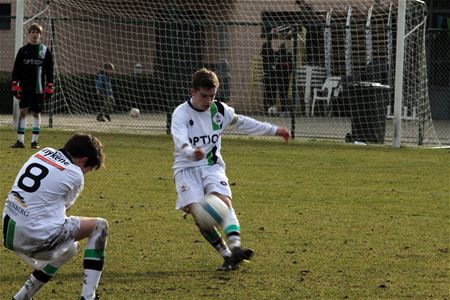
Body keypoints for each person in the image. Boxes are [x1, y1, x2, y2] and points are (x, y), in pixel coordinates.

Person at [171, 68, 291, 271]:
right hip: (186, 168)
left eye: (212, 96)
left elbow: (245, 123)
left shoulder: (220, 111)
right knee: (201, 217)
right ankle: (227, 255)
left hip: (211, 165)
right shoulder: (181, 113)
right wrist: (191, 152)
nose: (208, 100)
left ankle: (236, 249)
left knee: (224, 203)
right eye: (204, 96)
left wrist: (275, 130)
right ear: (193, 92)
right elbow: (180, 140)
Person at [2, 133, 108, 300]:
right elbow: (65, 206)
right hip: (34, 237)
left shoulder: (42, 152)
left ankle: (21, 297)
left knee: (70, 248)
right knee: (100, 226)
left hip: (10, 233)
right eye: (89, 169)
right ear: (83, 160)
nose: (86, 173)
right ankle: (89, 297)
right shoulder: (75, 173)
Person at [11, 23, 54, 149]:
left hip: (38, 88)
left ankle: (34, 142)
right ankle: (20, 140)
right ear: (28, 34)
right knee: (23, 111)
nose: (35, 34)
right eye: (32, 32)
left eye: (37, 32)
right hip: (25, 87)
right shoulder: (23, 50)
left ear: (40, 35)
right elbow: (16, 69)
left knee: (36, 113)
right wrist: (14, 83)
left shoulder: (44, 51)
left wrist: (50, 85)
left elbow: (49, 70)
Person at [275, 43, 293, 117]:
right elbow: (291, 67)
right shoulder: (288, 56)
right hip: (285, 78)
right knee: (284, 94)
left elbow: (277, 68)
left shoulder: (280, 57)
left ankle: (284, 110)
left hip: (281, 78)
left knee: (282, 94)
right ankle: (285, 110)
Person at [261, 38, 277, 114]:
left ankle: (268, 107)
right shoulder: (268, 58)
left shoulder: (265, 57)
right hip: (269, 76)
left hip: (268, 76)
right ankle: (270, 106)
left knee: (267, 91)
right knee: (271, 90)